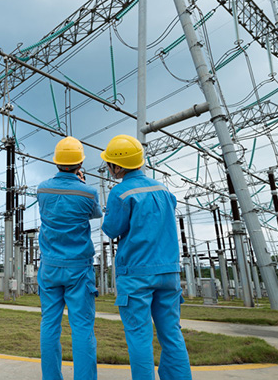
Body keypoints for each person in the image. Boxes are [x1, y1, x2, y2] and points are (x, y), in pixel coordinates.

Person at [99, 134, 192, 380]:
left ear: (117, 166)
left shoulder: (121, 193)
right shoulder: (164, 190)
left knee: (139, 336)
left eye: (109, 163)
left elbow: (111, 229)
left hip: (136, 274)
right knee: (171, 334)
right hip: (169, 273)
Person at [37, 136, 102, 380]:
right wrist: (81, 183)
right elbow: (95, 214)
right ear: (80, 163)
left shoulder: (42, 189)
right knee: (82, 327)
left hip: (50, 267)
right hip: (79, 269)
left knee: (49, 324)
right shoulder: (89, 193)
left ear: (56, 162)